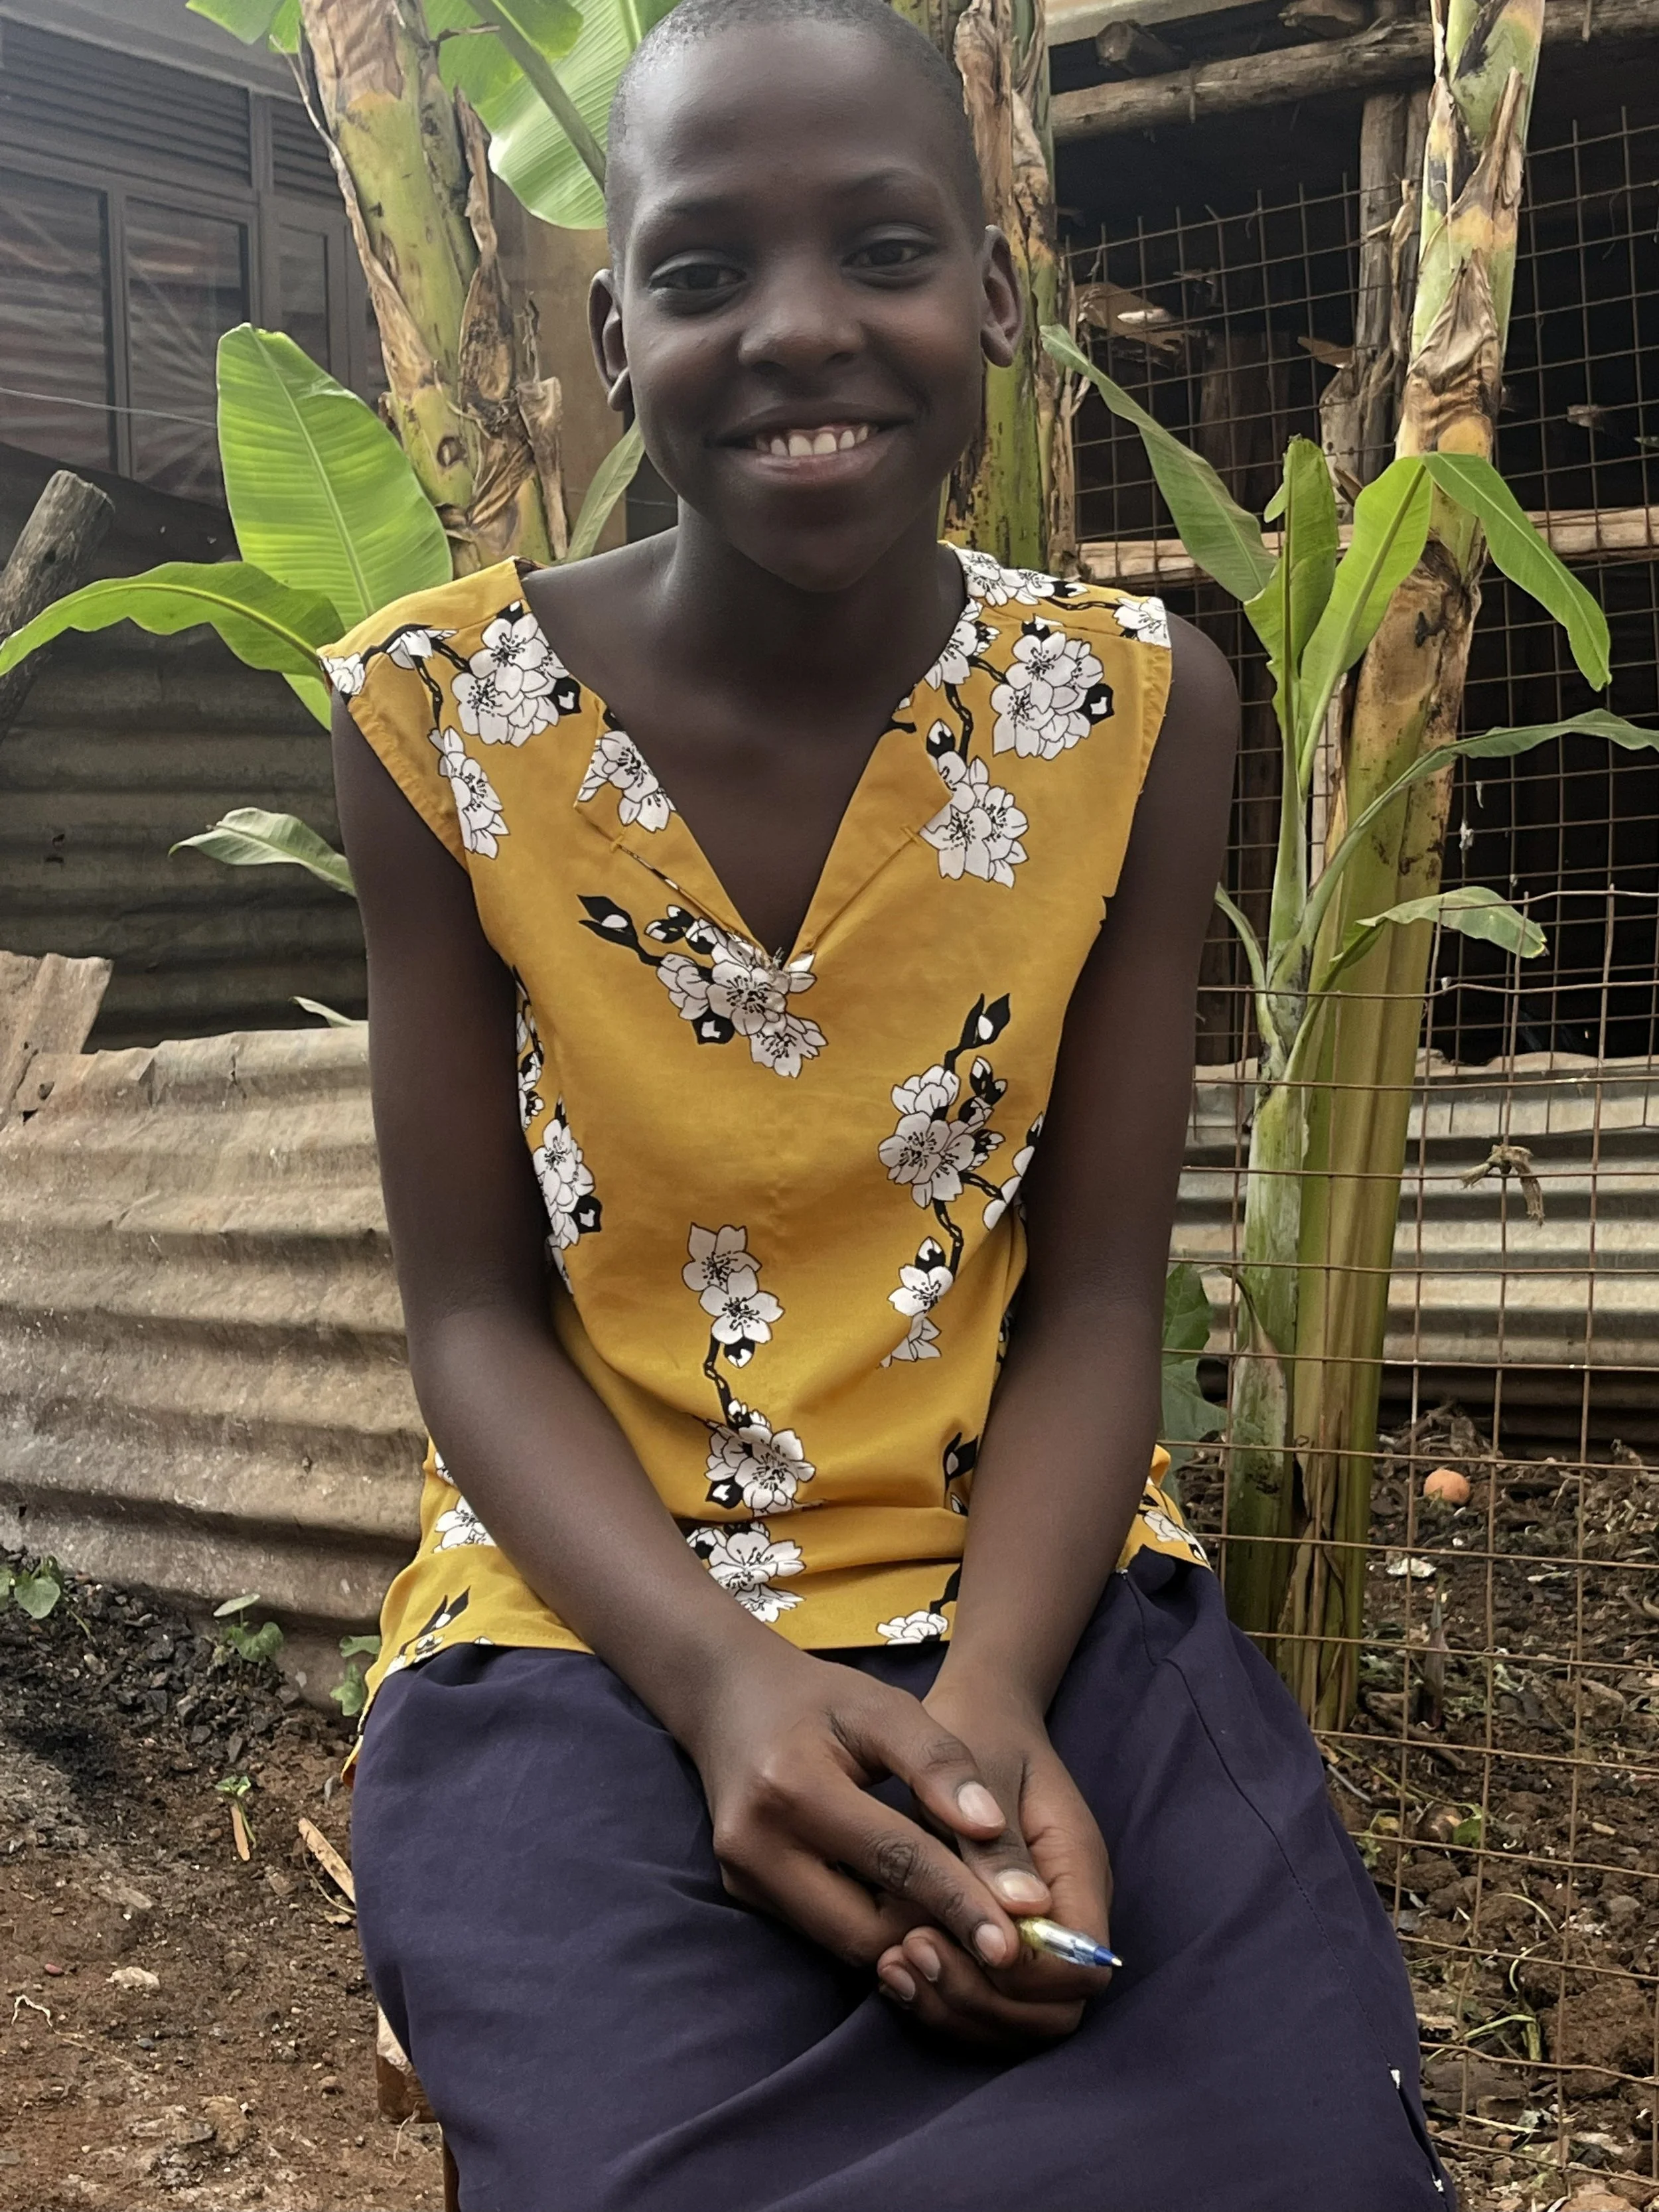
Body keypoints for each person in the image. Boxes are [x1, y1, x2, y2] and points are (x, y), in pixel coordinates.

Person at [325, 3, 1453, 2205]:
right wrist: (724, 1686)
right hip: (586, 1617)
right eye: (705, 270)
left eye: (882, 247)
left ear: (999, 299)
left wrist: (1001, 1703)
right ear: (612, 326)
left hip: (1031, 1583)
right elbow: (467, 1315)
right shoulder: (436, 718)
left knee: (1304, 2149)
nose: (800, 330)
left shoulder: (1134, 707)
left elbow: (1097, 1306)